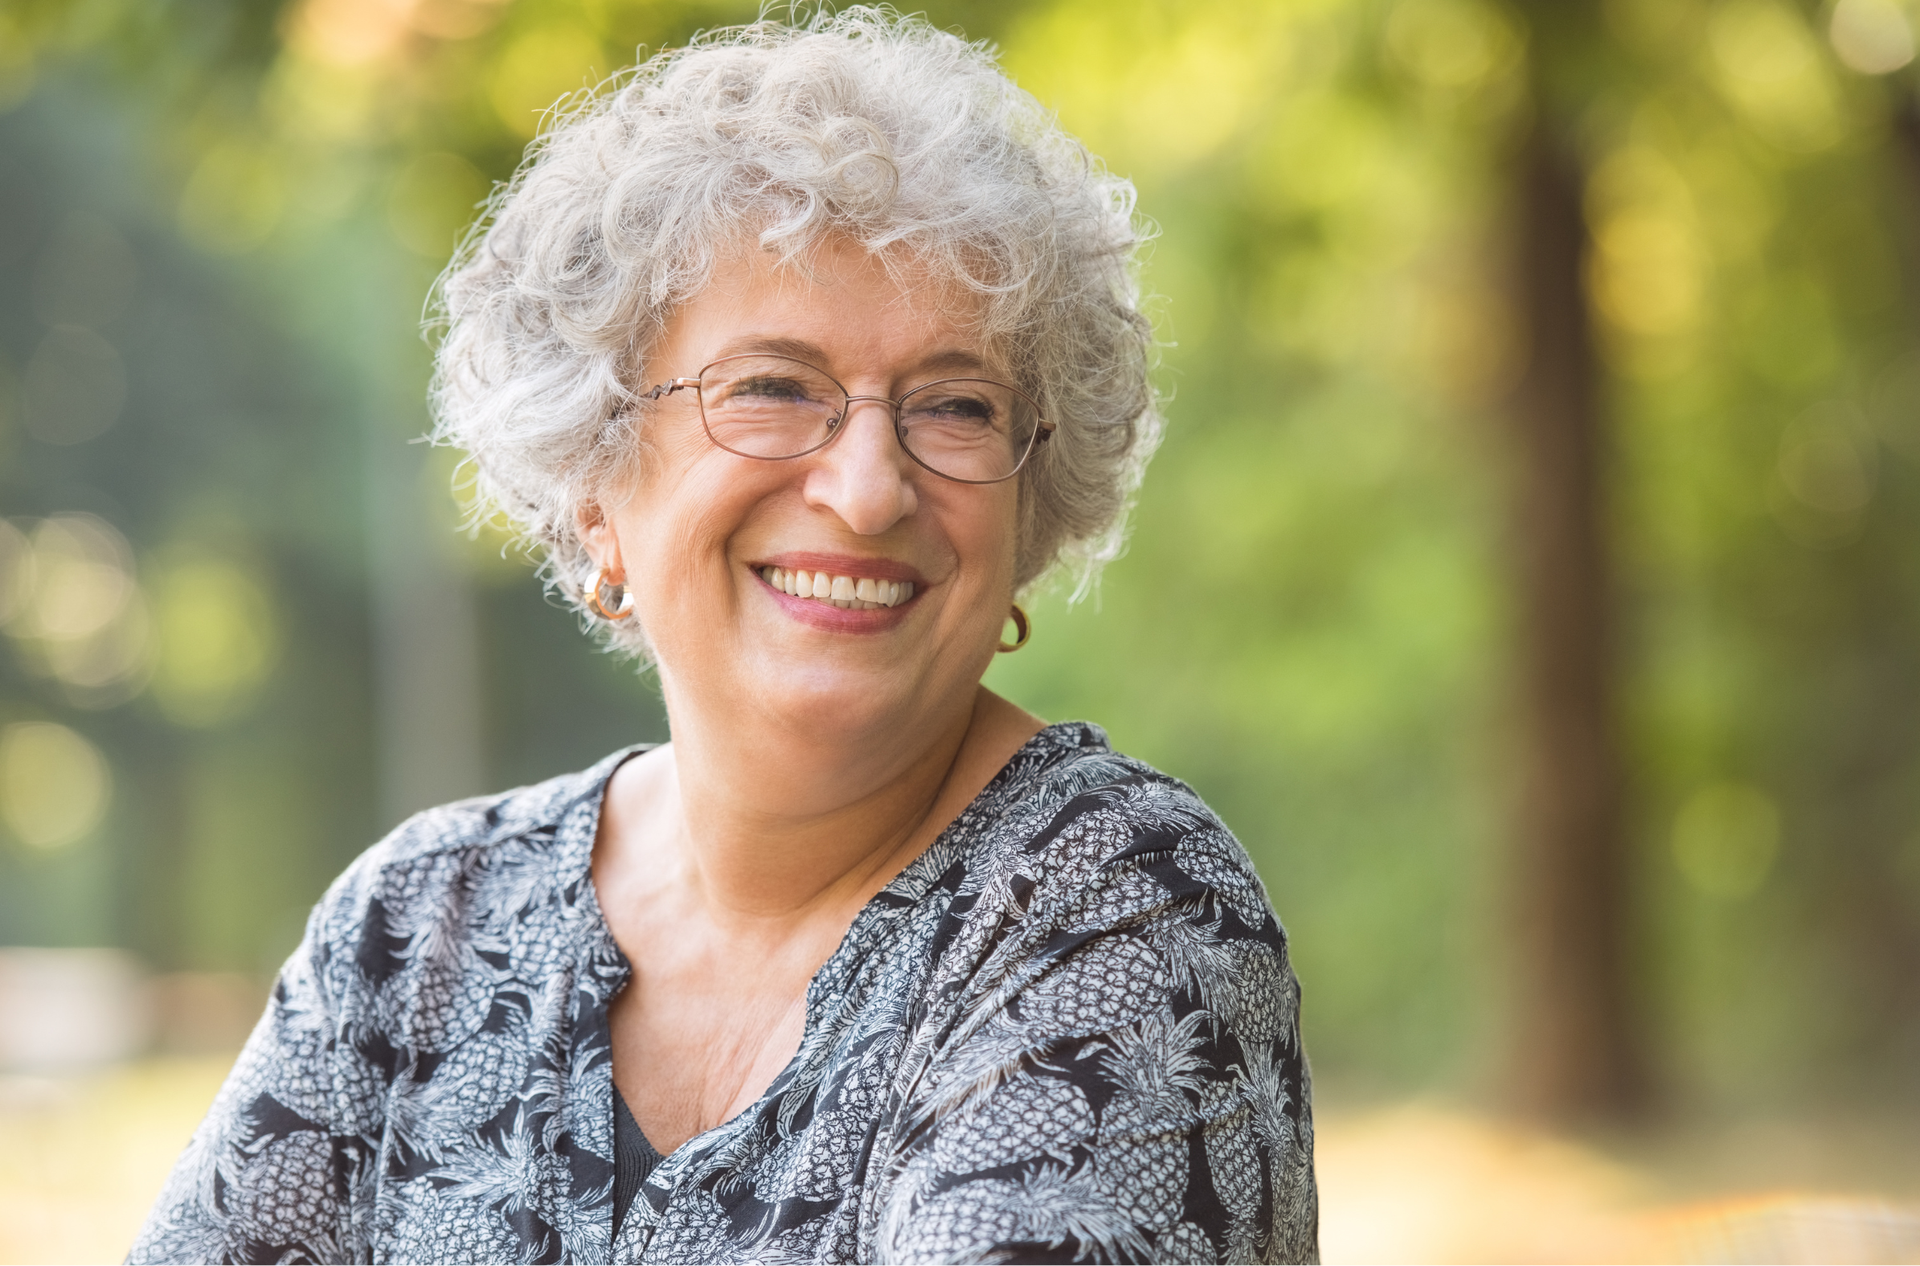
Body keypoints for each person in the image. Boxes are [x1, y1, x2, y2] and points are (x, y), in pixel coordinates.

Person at [129, 11, 1317, 1264]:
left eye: (956, 406)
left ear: (1029, 514)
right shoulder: (414, 929)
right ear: (599, 486)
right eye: (772, 387)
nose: (868, 489)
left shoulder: (1121, 912)